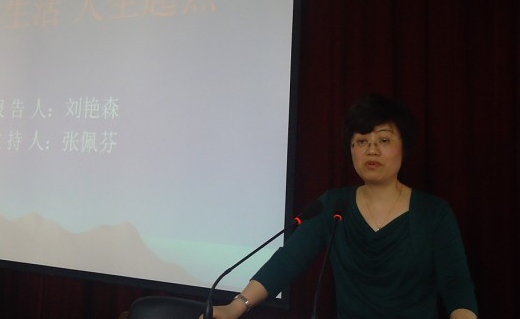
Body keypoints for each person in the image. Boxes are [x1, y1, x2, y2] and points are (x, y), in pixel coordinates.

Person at [205, 93, 478, 319]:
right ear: (351, 149)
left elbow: (456, 286)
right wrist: (235, 307)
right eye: (361, 141)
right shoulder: (334, 206)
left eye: (383, 140)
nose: (372, 150)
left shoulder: (433, 213)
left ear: (404, 147)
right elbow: (287, 262)